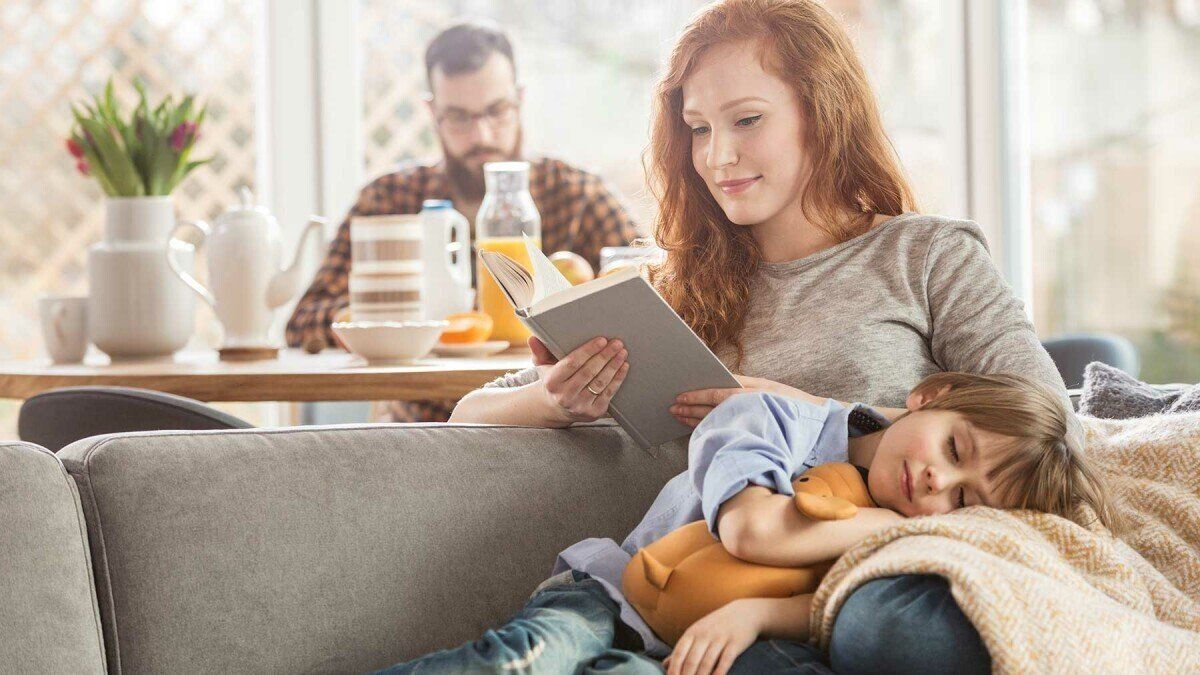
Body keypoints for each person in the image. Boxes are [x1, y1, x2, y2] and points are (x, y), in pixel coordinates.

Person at [442, 0, 1071, 672]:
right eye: (698, 128)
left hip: (863, 589)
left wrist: (809, 412)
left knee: (898, 631)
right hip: (691, 598)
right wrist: (553, 400)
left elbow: (1055, 427)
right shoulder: (670, 293)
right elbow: (465, 415)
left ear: (821, 111)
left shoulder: (926, 256)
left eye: (747, 120)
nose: (718, 156)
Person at [377, 372, 1112, 674]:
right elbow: (752, 533)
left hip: (703, 650)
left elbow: (823, 605)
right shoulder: (771, 418)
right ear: (929, 395)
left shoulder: (919, 532)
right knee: (526, 658)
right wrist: (894, 529)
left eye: (964, 502)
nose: (936, 484)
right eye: (955, 449)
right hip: (611, 598)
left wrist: (759, 612)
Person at [286, 21, 641, 423]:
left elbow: (653, 292)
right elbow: (304, 321)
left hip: (552, 430)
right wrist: (408, 318)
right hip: (422, 427)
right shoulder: (390, 200)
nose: (481, 134)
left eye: (496, 111)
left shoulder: (577, 196)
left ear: (519, 100)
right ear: (431, 112)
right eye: (458, 118)